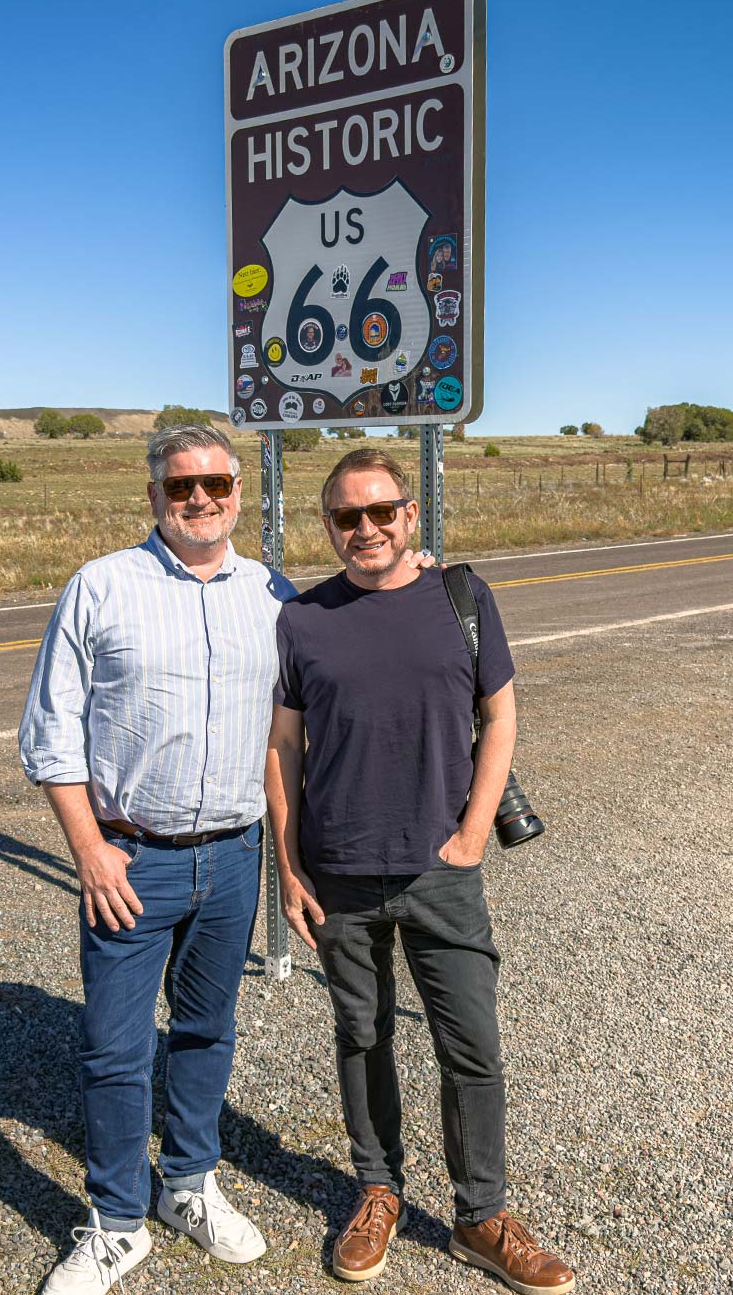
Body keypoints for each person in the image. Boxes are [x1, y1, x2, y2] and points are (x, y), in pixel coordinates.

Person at [265, 448, 574, 1294]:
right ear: (327, 525)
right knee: (363, 1036)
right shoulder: (302, 619)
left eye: (380, 511)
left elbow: (501, 714)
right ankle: (377, 1190)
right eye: (346, 516)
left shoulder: (461, 599)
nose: (365, 528)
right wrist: (287, 867)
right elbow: (283, 748)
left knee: (469, 1044)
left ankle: (481, 1215)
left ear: (410, 514)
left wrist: (474, 832)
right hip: (340, 870)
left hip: (442, 870)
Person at [18, 423, 284, 1292]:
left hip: (234, 854)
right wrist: (89, 849)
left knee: (208, 1028)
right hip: (132, 859)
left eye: (215, 484)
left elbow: (351, 643)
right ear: (154, 498)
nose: (200, 500)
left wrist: (424, 578)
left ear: (239, 490)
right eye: (181, 488)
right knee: (114, 1044)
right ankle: (116, 1221)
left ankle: (188, 1182)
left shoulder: (271, 593)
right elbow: (51, 733)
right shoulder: (102, 587)